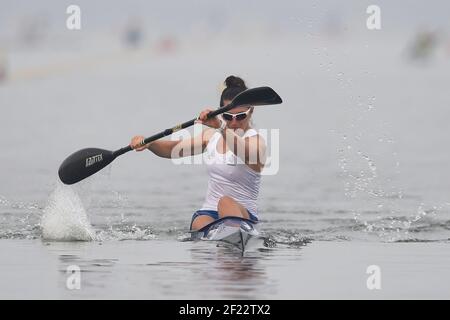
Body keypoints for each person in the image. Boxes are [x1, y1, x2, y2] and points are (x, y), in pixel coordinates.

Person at [130, 76, 266, 230]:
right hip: (209, 212)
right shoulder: (210, 137)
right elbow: (172, 150)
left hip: (243, 214)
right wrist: (150, 143)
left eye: (240, 116)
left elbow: (247, 153)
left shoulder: (256, 141)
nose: (234, 122)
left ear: (251, 111)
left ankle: (231, 237)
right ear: (221, 113)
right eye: (228, 117)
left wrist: (222, 126)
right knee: (198, 223)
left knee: (225, 202)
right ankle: (217, 240)